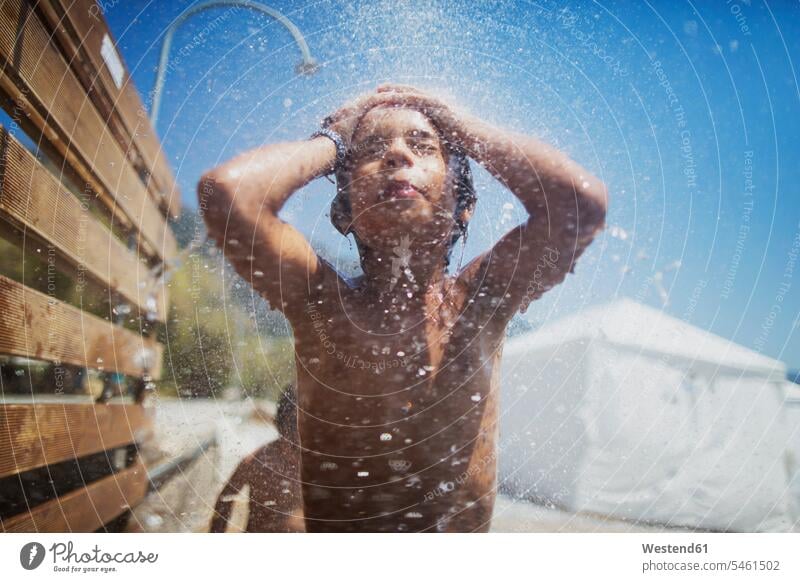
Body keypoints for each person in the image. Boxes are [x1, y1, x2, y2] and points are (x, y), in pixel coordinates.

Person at [199, 84, 607, 532]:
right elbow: (226, 193)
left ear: (463, 206)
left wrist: (461, 127)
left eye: (422, 146)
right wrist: (334, 140)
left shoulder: (481, 302)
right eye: (372, 149)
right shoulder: (321, 302)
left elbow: (579, 203)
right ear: (343, 213)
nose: (397, 155)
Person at [209, 386, 304, 532]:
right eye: (292, 424)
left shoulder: (259, 459)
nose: (296, 434)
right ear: (280, 423)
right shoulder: (258, 461)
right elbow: (224, 501)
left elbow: (224, 500)